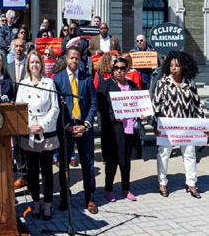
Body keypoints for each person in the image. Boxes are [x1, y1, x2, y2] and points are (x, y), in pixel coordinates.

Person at [152, 51, 207, 199]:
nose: (173, 68)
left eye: (177, 65)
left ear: (184, 67)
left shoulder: (190, 83)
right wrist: (155, 124)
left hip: (187, 126)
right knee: (164, 154)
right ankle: (162, 182)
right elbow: (156, 104)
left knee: (190, 154)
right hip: (167, 126)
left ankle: (191, 183)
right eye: (171, 65)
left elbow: (196, 106)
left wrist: (203, 126)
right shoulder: (162, 82)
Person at [54, 46, 99, 214]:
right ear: (66, 59)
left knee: (88, 164)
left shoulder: (87, 79)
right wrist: (67, 126)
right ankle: (65, 197)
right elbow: (56, 106)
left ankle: (90, 198)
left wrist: (86, 124)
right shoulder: (57, 80)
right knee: (64, 165)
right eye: (72, 58)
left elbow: (94, 104)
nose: (74, 61)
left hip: (84, 128)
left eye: (77, 58)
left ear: (80, 60)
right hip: (66, 128)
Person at [16, 50, 59, 221]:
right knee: (32, 172)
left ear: (42, 65)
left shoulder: (49, 83)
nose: (34, 65)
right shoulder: (23, 83)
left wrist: (42, 125)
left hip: (45, 132)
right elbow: (18, 107)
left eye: (37, 62)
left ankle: (48, 204)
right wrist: (28, 126)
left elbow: (55, 107)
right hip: (29, 133)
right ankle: (36, 203)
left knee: (47, 172)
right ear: (28, 65)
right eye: (32, 62)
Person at [98, 58, 140, 202]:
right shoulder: (106, 85)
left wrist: (141, 112)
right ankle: (108, 189)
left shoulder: (133, 86)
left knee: (126, 161)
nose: (119, 71)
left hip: (129, 129)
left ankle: (126, 188)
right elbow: (101, 106)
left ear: (127, 69)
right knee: (112, 161)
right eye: (116, 68)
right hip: (113, 130)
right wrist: (114, 116)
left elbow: (139, 103)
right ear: (112, 69)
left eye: (122, 68)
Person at [7, 39, 28, 188]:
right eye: (17, 46)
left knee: (28, 143)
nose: (19, 49)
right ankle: (22, 175)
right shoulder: (7, 67)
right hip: (12, 111)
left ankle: (29, 175)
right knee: (17, 145)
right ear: (13, 49)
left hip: (26, 109)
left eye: (22, 46)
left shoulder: (29, 65)